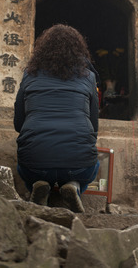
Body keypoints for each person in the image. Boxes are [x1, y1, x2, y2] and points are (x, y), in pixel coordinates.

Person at [14, 24, 99, 213]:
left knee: (25, 167)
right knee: (94, 166)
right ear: (79, 50)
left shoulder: (29, 75)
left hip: (34, 163)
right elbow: (93, 126)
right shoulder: (89, 77)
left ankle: (38, 185)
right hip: (78, 165)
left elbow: (18, 123)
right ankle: (75, 186)